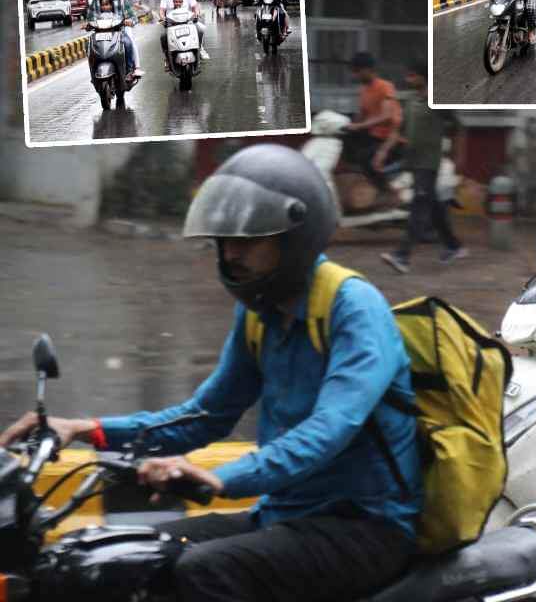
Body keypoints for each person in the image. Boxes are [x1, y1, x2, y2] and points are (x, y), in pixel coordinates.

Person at [0, 144, 422, 601]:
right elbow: (205, 416)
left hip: (364, 527)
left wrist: (223, 478)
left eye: (248, 241)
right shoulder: (261, 312)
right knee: (138, 558)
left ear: (294, 238)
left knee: (205, 570)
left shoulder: (353, 308)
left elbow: (329, 429)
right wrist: (87, 429)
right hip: (284, 514)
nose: (231, 255)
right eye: (225, 242)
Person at [381, 60, 466, 273]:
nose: (408, 79)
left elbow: (458, 127)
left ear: (422, 77)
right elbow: (399, 130)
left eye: (412, 75)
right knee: (434, 205)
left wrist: (458, 156)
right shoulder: (412, 101)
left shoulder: (437, 101)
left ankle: (402, 256)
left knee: (419, 207)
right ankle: (453, 246)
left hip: (428, 163)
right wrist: (383, 151)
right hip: (414, 162)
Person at [344, 52, 403, 192]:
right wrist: (349, 125)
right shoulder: (364, 90)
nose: (355, 75)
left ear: (368, 69)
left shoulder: (385, 87)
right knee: (345, 140)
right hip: (373, 137)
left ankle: (387, 190)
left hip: (390, 139)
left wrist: (360, 125)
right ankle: (367, 182)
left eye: (357, 71)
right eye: (353, 72)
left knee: (366, 158)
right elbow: (361, 116)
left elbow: (386, 116)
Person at [84, 0, 142, 79]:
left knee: (128, 43)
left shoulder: (122, 1)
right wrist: (87, 24)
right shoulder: (95, 2)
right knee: (88, 46)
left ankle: (129, 70)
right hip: (99, 34)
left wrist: (130, 21)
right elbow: (90, 18)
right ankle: (93, 72)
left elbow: (133, 17)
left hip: (118, 32)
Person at [158, 0, 210, 70]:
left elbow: (195, 6)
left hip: (188, 23)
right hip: (172, 25)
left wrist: (196, 13)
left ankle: (200, 49)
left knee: (200, 30)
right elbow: (162, 10)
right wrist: (162, 18)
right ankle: (167, 59)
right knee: (163, 37)